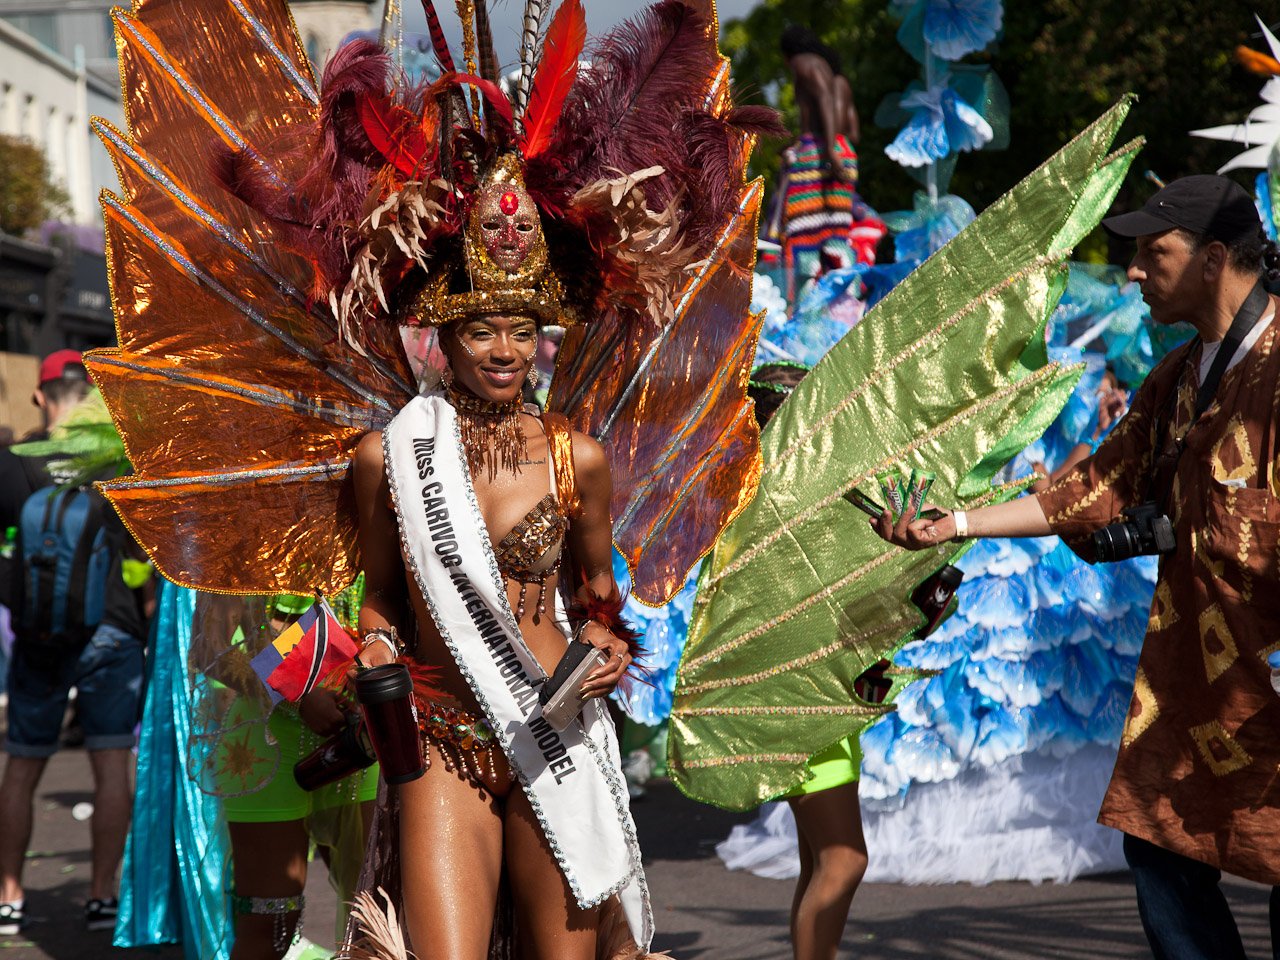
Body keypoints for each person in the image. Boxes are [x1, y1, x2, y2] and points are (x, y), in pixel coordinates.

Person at [875, 173, 1280, 959]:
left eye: (1150, 252)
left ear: (1213, 259)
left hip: (1271, 685)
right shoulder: (1179, 378)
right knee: (1159, 854)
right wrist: (954, 524)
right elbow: (1091, 488)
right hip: (1191, 690)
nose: (1133, 271)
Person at [0, 352, 147, 937]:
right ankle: (101, 895)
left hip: (38, 636)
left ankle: (9, 896)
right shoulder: (114, 462)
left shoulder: (12, 465)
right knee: (111, 762)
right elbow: (143, 555)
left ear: (40, 396)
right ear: (88, 395)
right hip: (112, 629)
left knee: (22, 766)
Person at [746, 363, 869, 960]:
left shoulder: (776, 494)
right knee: (845, 858)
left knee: (818, 858)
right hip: (801, 693)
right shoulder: (777, 502)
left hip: (811, 688)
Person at [768, 26, 868, 304]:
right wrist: (837, 148)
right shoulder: (835, 76)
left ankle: (805, 314)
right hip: (841, 152)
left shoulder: (803, 63)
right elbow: (854, 132)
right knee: (837, 238)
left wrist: (828, 150)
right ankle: (849, 304)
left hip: (820, 154)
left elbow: (823, 98)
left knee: (805, 242)